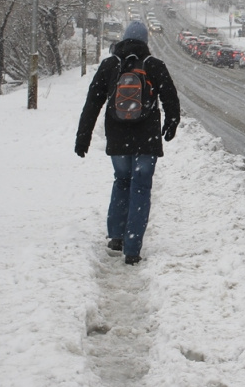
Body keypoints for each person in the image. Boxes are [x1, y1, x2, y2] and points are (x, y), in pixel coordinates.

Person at [75, 21, 180, 265]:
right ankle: (132, 249)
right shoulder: (154, 65)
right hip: (147, 138)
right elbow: (171, 99)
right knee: (141, 187)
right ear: (145, 41)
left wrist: (83, 136)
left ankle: (116, 237)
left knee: (121, 181)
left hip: (118, 137)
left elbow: (92, 103)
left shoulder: (110, 65)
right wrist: (171, 123)